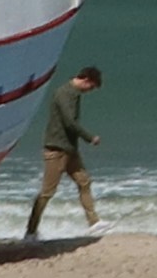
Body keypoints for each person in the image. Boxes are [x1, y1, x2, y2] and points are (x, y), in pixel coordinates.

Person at [24, 64, 105, 236]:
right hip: (57, 149)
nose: (89, 91)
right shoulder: (65, 94)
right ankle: (30, 231)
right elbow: (69, 122)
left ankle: (94, 222)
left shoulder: (73, 94)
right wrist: (89, 137)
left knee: (84, 182)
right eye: (91, 87)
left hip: (69, 149)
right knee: (47, 192)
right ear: (86, 80)